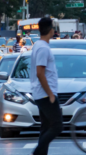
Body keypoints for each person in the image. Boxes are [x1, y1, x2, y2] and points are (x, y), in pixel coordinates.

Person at [31, 17, 62, 155]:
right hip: (45, 94)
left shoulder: (39, 45)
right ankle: (37, 152)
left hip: (41, 93)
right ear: (51, 30)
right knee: (57, 126)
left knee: (46, 127)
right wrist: (50, 94)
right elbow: (40, 73)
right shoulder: (43, 48)